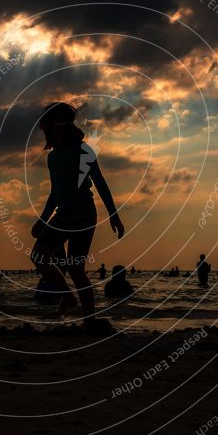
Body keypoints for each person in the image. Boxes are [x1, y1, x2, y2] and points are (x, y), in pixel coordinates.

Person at [30, 102, 125, 326]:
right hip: (63, 215)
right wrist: (42, 220)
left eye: (48, 129)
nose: (46, 134)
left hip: (83, 214)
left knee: (75, 267)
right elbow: (54, 193)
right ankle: (68, 296)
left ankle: (89, 319)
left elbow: (100, 183)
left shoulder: (84, 151)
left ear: (59, 128)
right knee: (38, 256)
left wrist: (114, 214)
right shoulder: (52, 158)